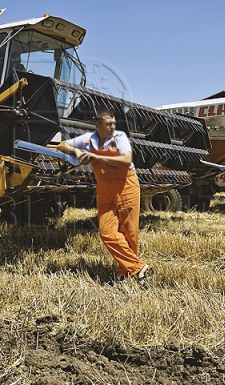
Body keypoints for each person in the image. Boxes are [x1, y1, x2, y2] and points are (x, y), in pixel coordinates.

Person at [57, 110, 153, 284]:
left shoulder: (120, 137)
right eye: (109, 124)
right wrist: (76, 152)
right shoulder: (87, 139)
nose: (113, 127)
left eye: (114, 123)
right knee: (106, 233)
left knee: (129, 233)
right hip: (104, 189)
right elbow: (61, 144)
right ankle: (138, 266)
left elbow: (125, 159)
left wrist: (95, 156)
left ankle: (126, 272)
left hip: (126, 186)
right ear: (98, 125)